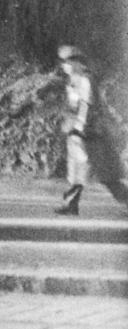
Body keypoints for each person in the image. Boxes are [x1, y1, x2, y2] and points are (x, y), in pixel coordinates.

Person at [55, 45, 128, 215]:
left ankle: (126, 199)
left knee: (106, 174)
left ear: (76, 63)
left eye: (67, 62)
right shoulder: (72, 80)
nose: (64, 65)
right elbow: (72, 106)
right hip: (78, 134)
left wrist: (80, 125)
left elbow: (87, 105)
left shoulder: (86, 79)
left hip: (91, 134)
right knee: (76, 170)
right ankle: (71, 204)